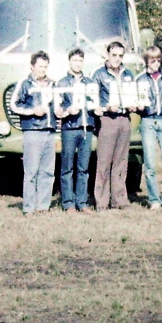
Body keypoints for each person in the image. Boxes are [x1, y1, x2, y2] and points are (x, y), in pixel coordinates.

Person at [10, 51, 57, 216]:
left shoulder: (53, 84)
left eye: (45, 67)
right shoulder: (25, 84)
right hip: (32, 131)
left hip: (49, 132)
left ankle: (43, 206)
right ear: (32, 66)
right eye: (40, 66)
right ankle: (29, 207)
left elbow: (58, 105)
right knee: (31, 172)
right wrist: (32, 110)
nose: (43, 70)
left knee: (47, 172)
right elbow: (14, 105)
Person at [92, 40, 137, 210]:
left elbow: (134, 95)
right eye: (114, 55)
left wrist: (133, 105)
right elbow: (93, 100)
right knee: (104, 162)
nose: (117, 59)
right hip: (108, 121)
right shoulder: (98, 74)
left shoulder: (128, 74)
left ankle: (119, 200)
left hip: (124, 119)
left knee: (121, 161)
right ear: (107, 55)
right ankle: (102, 201)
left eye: (120, 55)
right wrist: (105, 107)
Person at [135, 46, 162, 210]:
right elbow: (135, 101)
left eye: (159, 60)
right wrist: (138, 106)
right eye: (153, 60)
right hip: (148, 121)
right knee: (150, 163)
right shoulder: (140, 79)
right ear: (147, 61)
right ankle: (154, 200)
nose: (156, 63)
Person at [55, 48, 95, 214]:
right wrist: (67, 111)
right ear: (69, 62)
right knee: (67, 167)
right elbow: (57, 110)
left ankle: (82, 202)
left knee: (83, 167)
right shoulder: (62, 83)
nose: (77, 64)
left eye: (80, 61)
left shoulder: (90, 83)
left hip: (86, 128)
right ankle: (68, 203)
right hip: (70, 128)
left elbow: (95, 102)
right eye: (75, 60)